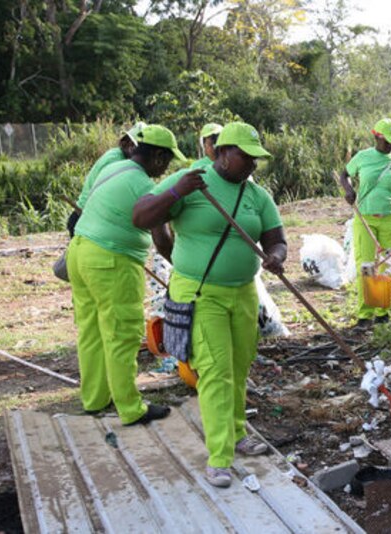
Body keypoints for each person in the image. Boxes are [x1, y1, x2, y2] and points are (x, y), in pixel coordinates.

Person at [132, 122, 286, 488]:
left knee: (238, 364)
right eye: (246, 157)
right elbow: (143, 217)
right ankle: (220, 457)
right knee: (215, 371)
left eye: (256, 159)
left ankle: (236, 432)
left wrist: (277, 256)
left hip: (244, 291)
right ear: (222, 152)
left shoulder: (256, 195)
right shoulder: (192, 180)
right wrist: (175, 193)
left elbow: (276, 237)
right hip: (201, 293)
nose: (252, 165)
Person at [67, 124, 186, 424]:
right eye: (168, 161)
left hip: (80, 253)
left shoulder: (114, 168)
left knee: (92, 330)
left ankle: (95, 400)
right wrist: (182, 269)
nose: (166, 168)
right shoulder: (145, 186)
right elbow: (162, 241)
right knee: (123, 333)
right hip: (111, 261)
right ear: (158, 157)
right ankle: (131, 408)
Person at [338, 118, 391, 327]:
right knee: (366, 266)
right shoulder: (363, 157)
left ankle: (383, 313)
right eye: (387, 140)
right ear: (376, 137)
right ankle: (365, 316)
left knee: (388, 266)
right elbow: (344, 175)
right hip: (364, 218)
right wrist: (348, 190)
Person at [67, 122, 145, 236]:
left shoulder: (120, 158)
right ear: (126, 142)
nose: (135, 150)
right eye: (133, 145)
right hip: (85, 217)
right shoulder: (116, 161)